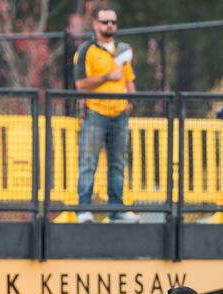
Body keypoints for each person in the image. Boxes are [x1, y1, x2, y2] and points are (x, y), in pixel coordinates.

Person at [73, 8, 139, 224]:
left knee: (118, 164)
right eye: (105, 22)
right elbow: (81, 84)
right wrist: (107, 77)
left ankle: (116, 209)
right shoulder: (86, 50)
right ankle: (83, 209)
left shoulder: (123, 50)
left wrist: (131, 100)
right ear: (96, 25)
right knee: (88, 162)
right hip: (96, 113)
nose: (109, 25)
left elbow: (129, 80)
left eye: (113, 22)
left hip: (119, 115)